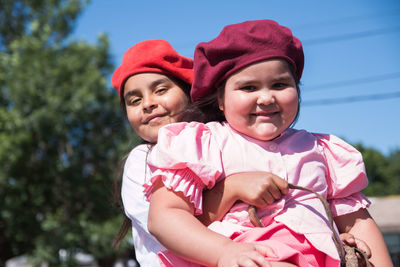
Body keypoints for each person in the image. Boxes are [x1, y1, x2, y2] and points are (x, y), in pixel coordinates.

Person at [144, 20, 393, 266]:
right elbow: (166, 215)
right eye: (249, 87)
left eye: (280, 84)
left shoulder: (324, 151)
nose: (265, 98)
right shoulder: (204, 144)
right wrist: (224, 251)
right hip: (246, 255)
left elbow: (358, 223)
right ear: (220, 100)